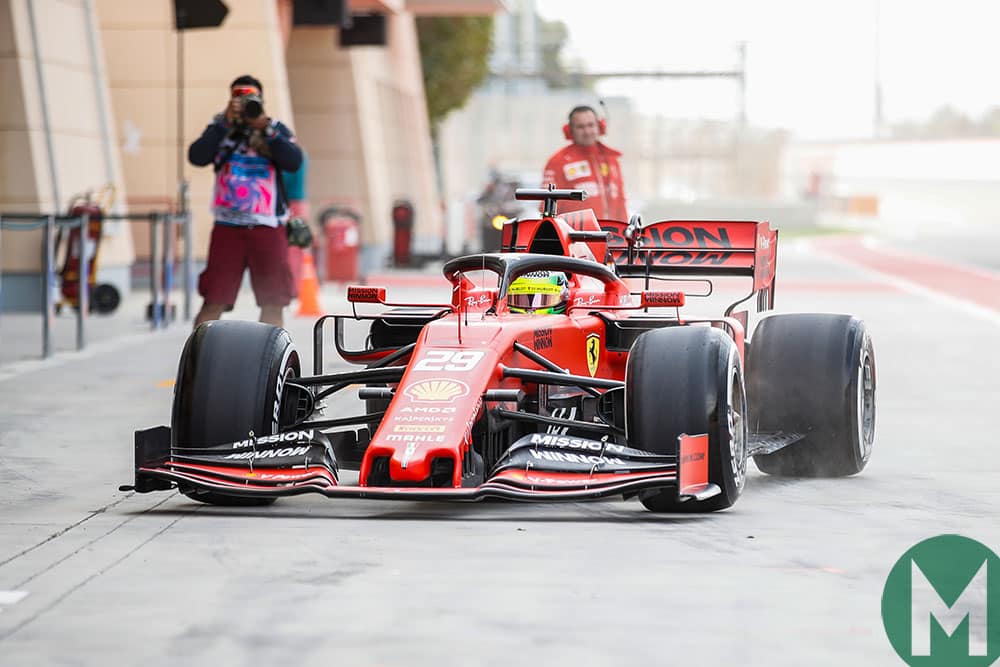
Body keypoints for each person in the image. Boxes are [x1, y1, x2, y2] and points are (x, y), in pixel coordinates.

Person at [188, 74, 303, 328]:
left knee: (273, 301)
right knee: (214, 298)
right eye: (238, 98)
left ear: (262, 100)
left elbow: (294, 162)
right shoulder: (219, 129)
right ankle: (198, 362)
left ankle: (270, 361)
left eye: (251, 98)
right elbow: (197, 156)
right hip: (228, 227)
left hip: (268, 226)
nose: (244, 104)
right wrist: (224, 123)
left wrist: (265, 129)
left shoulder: (276, 130)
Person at [541, 105, 627, 221]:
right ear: (569, 130)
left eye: (590, 125)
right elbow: (546, 208)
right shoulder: (558, 162)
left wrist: (624, 235)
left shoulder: (611, 159)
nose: (587, 131)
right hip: (575, 236)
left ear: (600, 126)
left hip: (612, 234)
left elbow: (621, 201)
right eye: (580, 127)